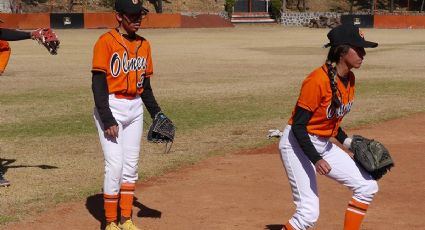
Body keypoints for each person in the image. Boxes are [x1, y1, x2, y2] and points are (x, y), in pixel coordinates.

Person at [278, 24, 379, 230]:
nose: (363, 53)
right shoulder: (316, 81)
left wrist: (347, 142)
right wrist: (316, 159)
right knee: (308, 214)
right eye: (358, 49)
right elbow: (298, 126)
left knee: (367, 186)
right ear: (342, 51)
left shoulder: (349, 78)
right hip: (297, 144)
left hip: (323, 143)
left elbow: (332, 120)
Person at [91, 0, 167, 229]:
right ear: (118, 16)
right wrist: (107, 118)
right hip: (112, 106)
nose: (137, 20)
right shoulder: (105, 42)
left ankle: (126, 219)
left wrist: (157, 113)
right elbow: (98, 84)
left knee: (131, 166)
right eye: (132, 15)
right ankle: (111, 221)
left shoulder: (145, 45)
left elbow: (145, 87)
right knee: (115, 165)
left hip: (135, 109)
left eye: (139, 15)